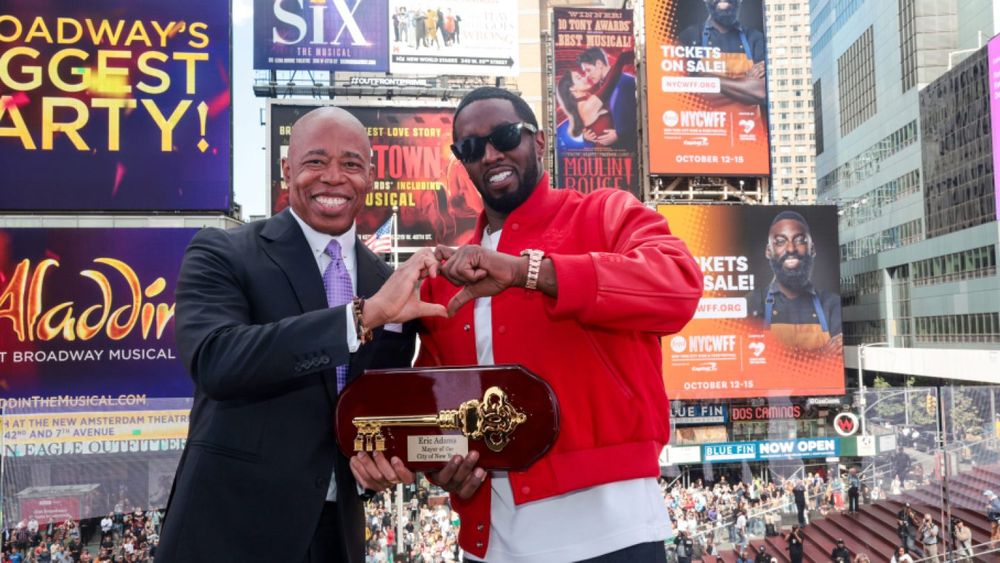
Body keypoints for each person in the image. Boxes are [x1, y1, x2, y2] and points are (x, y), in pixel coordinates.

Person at [414, 87, 702, 561]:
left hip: (615, 531)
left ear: (540, 141)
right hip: (488, 544)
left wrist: (531, 272)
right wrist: (439, 465)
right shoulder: (446, 276)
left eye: (504, 136)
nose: (490, 155)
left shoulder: (606, 212)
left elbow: (679, 287)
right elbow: (436, 402)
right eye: (470, 148)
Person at [158, 107, 448, 562]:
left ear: (370, 176)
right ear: (287, 170)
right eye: (316, 161)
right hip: (227, 531)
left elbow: (375, 413)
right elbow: (217, 360)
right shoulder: (223, 250)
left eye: (351, 164)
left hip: (337, 536)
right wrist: (360, 318)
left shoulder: (389, 284)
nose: (334, 177)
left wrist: (380, 464)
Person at [746, 210, 842, 353]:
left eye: (799, 240)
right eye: (780, 241)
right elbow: (748, 355)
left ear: (813, 249)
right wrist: (822, 354)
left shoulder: (832, 303)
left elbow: (837, 358)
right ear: (768, 251)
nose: (791, 248)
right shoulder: (752, 302)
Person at [677, 0, 766, 113]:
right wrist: (745, 84)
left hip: (748, 128)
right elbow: (684, 94)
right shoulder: (689, 37)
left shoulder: (756, 39)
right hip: (704, 129)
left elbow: (762, 91)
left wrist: (707, 79)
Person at [556, 51, 636, 150]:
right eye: (579, 77)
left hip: (620, 151)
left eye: (588, 70)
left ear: (599, 64)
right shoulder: (588, 105)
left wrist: (619, 133)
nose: (586, 76)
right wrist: (620, 61)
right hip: (608, 155)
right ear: (572, 88)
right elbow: (609, 85)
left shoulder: (625, 82)